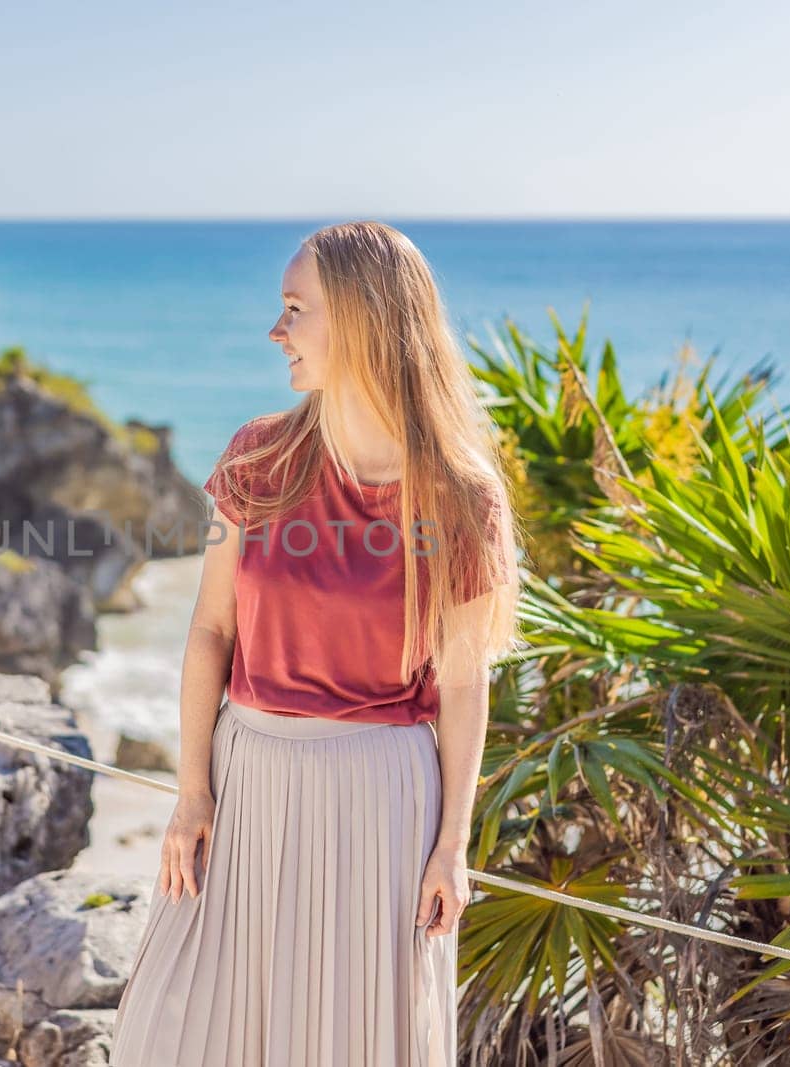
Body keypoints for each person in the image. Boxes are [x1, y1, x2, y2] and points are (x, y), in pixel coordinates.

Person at [109, 220, 523, 1067]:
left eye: (295, 309)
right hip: (247, 780)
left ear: (365, 322)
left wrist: (451, 844)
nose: (276, 331)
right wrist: (192, 793)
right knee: (177, 1027)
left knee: (352, 1040)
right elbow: (211, 633)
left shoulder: (458, 497)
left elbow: (463, 680)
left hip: (381, 800)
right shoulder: (258, 459)